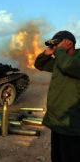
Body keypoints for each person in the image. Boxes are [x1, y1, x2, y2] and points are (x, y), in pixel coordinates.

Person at [34, 30, 80, 162]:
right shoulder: (60, 59)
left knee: (71, 157)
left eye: (57, 44)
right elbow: (40, 65)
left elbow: (68, 66)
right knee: (57, 156)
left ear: (69, 43)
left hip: (71, 123)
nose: (55, 48)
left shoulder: (75, 59)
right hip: (57, 120)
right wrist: (45, 54)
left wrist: (59, 52)